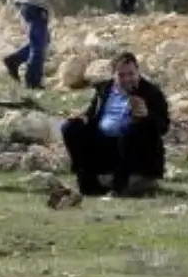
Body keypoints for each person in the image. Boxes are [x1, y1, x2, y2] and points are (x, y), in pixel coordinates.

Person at [60, 52, 169, 197]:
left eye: (131, 74)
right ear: (113, 75)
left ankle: (121, 186)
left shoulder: (151, 93)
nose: (127, 79)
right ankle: (87, 183)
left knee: (132, 128)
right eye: (121, 75)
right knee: (71, 128)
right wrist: (82, 118)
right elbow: (92, 114)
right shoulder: (104, 90)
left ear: (138, 72)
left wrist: (147, 116)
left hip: (134, 152)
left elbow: (163, 127)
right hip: (104, 148)